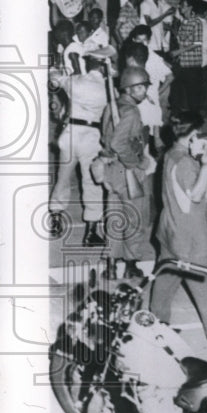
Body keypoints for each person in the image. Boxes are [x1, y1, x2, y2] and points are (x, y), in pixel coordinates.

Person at [150, 110, 207, 339]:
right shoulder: (186, 164)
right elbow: (196, 192)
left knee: (166, 280)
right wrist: (206, 165)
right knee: (203, 282)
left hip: (169, 228)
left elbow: (201, 175)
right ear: (190, 136)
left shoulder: (173, 154)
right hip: (189, 235)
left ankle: (156, 324)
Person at [48, 50, 111, 245]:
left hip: (70, 133)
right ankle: (90, 232)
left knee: (63, 177)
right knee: (91, 183)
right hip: (91, 136)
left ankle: (56, 218)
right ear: (102, 67)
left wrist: (54, 69)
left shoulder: (76, 81)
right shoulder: (108, 89)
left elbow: (54, 80)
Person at [99, 65, 154, 279]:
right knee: (134, 219)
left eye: (144, 87)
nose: (143, 91)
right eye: (139, 88)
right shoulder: (130, 111)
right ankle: (131, 264)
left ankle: (111, 266)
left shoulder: (113, 106)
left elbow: (106, 139)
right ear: (128, 89)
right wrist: (136, 165)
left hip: (111, 170)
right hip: (127, 170)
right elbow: (118, 143)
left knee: (114, 218)